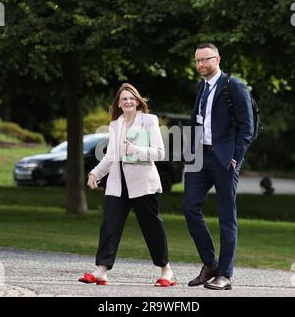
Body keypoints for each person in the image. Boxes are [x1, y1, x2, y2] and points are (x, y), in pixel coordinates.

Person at [78, 83, 176, 287]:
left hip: (142, 183)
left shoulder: (149, 120)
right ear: (119, 104)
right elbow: (110, 156)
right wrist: (95, 173)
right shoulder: (115, 124)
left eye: (132, 98)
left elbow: (159, 153)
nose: (128, 101)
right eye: (124, 99)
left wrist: (134, 149)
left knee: (152, 227)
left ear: (138, 101)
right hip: (117, 182)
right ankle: (101, 271)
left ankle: (166, 271)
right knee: (110, 225)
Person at [183, 43, 254, 290]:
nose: (201, 64)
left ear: (218, 59)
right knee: (190, 207)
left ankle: (224, 274)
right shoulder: (201, 87)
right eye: (198, 61)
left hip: (224, 159)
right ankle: (209, 263)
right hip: (199, 158)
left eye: (206, 59)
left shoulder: (233, 86)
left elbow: (247, 127)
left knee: (226, 217)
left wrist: (237, 158)